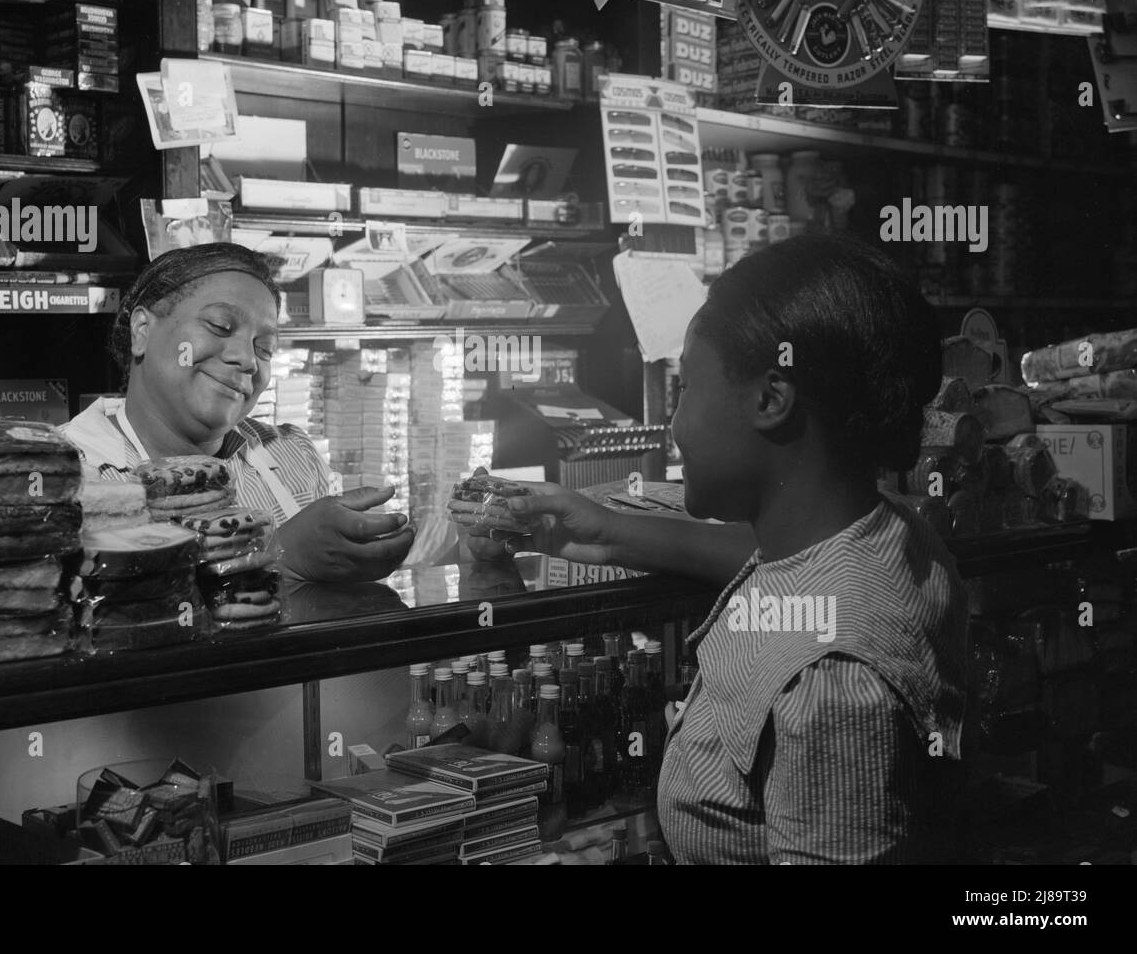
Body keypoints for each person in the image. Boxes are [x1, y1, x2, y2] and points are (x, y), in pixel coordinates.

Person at [455, 235, 968, 863]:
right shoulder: (892, 536)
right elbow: (788, 572)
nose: (673, 425)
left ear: (770, 400)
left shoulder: (830, 682)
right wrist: (603, 530)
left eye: (686, 390)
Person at [62, 243, 414, 585]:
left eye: (265, 348)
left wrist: (465, 548)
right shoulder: (63, 475)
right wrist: (278, 554)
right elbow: (91, 622)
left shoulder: (290, 455)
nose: (247, 360)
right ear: (142, 331)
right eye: (219, 326)